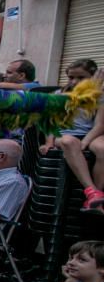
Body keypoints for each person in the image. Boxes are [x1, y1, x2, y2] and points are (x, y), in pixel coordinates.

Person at [38, 60, 104, 210]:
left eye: (81, 78)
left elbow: (100, 125)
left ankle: (96, 197)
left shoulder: (100, 97)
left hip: (90, 135)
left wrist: (86, 142)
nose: (75, 82)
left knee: (102, 148)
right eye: (71, 77)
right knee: (69, 141)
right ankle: (91, 191)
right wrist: (49, 142)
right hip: (65, 135)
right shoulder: (59, 95)